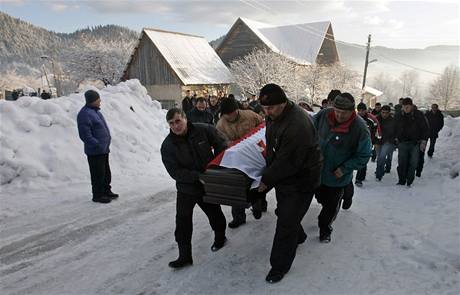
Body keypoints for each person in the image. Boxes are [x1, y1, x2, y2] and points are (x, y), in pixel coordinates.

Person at [256, 84, 322, 283]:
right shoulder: (275, 115)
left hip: (302, 178)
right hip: (285, 176)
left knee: (286, 222)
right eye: (264, 108)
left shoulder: (297, 125)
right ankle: (299, 236)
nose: (267, 112)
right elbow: (273, 146)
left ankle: (279, 266)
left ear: (284, 103)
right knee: (286, 213)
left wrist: (266, 180)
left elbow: (288, 161)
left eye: (272, 108)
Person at [160, 108, 228, 269]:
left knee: (214, 213)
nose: (175, 126)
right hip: (186, 189)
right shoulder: (168, 146)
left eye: (178, 121)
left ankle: (220, 238)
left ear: (185, 118)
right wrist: (197, 177)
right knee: (182, 222)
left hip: (207, 185)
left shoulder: (202, 130)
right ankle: (184, 256)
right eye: (171, 123)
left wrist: (215, 166)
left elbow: (221, 143)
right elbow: (174, 171)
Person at [313, 93, 371, 243]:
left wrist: (345, 168)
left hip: (337, 176)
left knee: (330, 208)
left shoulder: (360, 128)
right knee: (320, 198)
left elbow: (364, 155)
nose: (339, 115)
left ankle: (325, 229)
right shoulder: (324, 114)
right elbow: (310, 129)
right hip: (317, 170)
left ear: (353, 111)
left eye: (344, 113)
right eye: (337, 111)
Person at [216, 96, 265, 228]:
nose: (229, 117)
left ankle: (258, 203)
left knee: (256, 181)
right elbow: (220, 141)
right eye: (226, 114)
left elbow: (263, 127)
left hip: (254, 154)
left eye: (231, 113)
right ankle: (238, 216)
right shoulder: (221, 124)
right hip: (236, 160)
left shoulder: (249, 115)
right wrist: (228, 143)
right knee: (236, 187)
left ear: (236, 110)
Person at [77, 90, 118, 204]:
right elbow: (85, 134)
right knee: (97, 174)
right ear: (92, 101)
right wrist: (96, 144)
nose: (100, 101)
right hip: (95, 151)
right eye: (98, 99)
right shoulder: (84, 114)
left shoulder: (96, 112)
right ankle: (98, 195)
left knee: (105, 172)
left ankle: (106, 190)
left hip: (103, 149)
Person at [395, 98, 429, 187]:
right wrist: (395, 137)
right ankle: (401, 180)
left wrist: (424, 141)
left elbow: (425, 129)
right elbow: (394, 127)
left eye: (408, 106)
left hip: (415, 143)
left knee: (413, 163)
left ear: (411, 106)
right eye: (404, 106)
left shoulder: (419, 115)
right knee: (402, 162)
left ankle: (409, 180)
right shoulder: (399, 115)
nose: (406, 108)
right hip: (402, 142)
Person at [355, 102, 380, 187]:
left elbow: (377, 130)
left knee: (363, 158)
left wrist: (376, 141)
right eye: (359, 110)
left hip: (368, 142)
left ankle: (359, 179)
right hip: (356, 142)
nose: (361, 112)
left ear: (366, 110)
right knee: (359, 159)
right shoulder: (354, 118)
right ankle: (362, 174)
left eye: (363, 110)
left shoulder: (372, 119)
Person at [375, 105, 397, 180]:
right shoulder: (376, 118)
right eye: (383, 112)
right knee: (379, 157)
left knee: (382, 156)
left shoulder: (392, 120)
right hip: (377, 141)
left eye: (386, 113)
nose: (384, 114)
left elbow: (394, 132)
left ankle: (379, 173)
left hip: (388, 141)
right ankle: (380, 170)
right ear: (380, 112)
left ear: (389, 113)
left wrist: (393, 141)